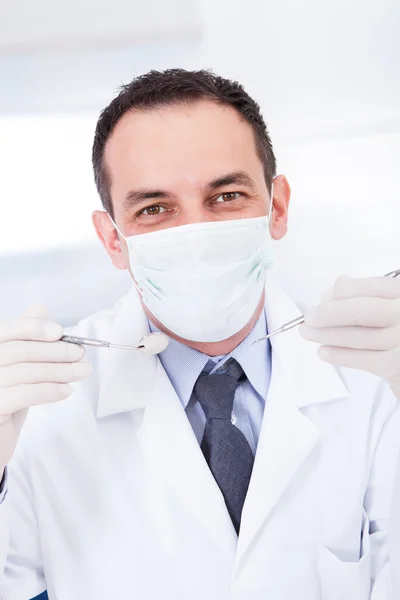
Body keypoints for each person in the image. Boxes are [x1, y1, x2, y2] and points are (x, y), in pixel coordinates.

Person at [0, 69, 399, 600]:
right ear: (112, 240)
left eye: (227, 196)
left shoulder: (374, 377)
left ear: (276, 208)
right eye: (155, 209)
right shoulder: (41, 409)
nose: (196, 235)